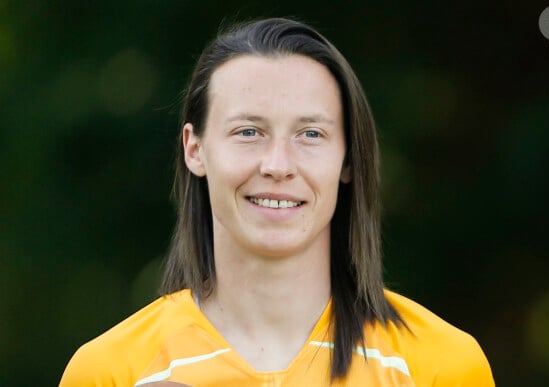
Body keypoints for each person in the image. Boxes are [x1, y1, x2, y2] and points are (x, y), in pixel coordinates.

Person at [60, 17, 495, 386]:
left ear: (348, 158)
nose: (278, 165)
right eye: (249, 131)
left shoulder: (440, 365)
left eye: (311, 134)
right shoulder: (110, 371)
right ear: (195, 150)